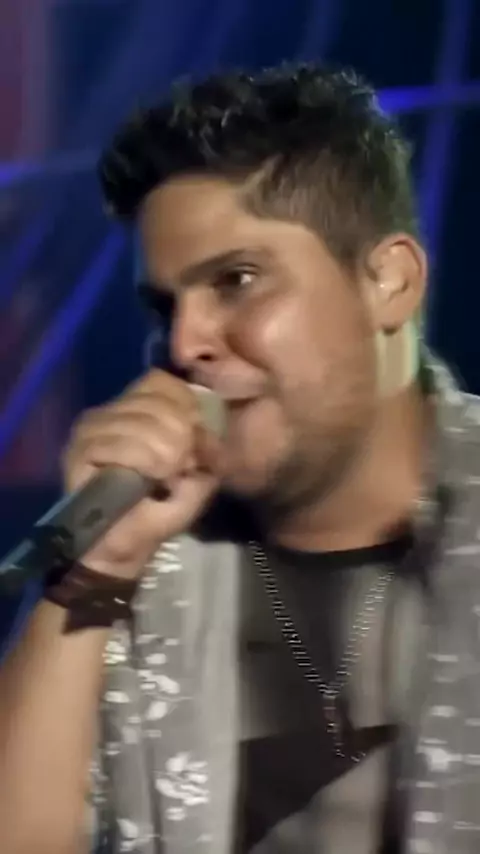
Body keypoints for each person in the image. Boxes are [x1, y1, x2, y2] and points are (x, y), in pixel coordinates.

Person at [0, 62, 479, 854]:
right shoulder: (143, 557)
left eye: (237, 279)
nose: (185, 343)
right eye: (165, 307)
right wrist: (95, 571)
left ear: (390, 283)